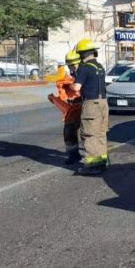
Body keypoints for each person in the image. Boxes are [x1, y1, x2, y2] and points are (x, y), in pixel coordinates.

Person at [71, 39, 108, 175]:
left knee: (90, 135)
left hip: (91, 104)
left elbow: (76, 88)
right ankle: (102, 162)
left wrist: (71, 84)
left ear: (82, 54)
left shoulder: (84, 68)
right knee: (100, 134)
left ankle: (92, 166)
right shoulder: (100, 67)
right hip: (103, 103)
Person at [48, 51, 83, 164]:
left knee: (89, 133)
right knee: (69, 130)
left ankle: (95, 158)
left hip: (86, 105)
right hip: (74, 107)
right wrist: (56, 99)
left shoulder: (85, 72)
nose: (71, 67)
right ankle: (73, 155)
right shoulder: (71, 76)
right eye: (69, 65)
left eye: (73, 65)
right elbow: (68, 94)